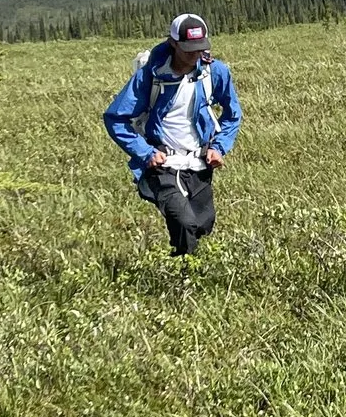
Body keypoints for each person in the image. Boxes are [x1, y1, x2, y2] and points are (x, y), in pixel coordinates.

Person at [103, 13, 243, 255]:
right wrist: (145, 153)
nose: (195, 55)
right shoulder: (149, 76)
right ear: (173, 43)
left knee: (202, 225)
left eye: (200, 48)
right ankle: (185, 280)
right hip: (162, 165)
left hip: (199, 163)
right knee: (184, 223)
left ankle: (188, 270)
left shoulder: (215, 72)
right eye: (188, 49)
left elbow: (233, 115)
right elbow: (115, 118)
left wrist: (218, 147)